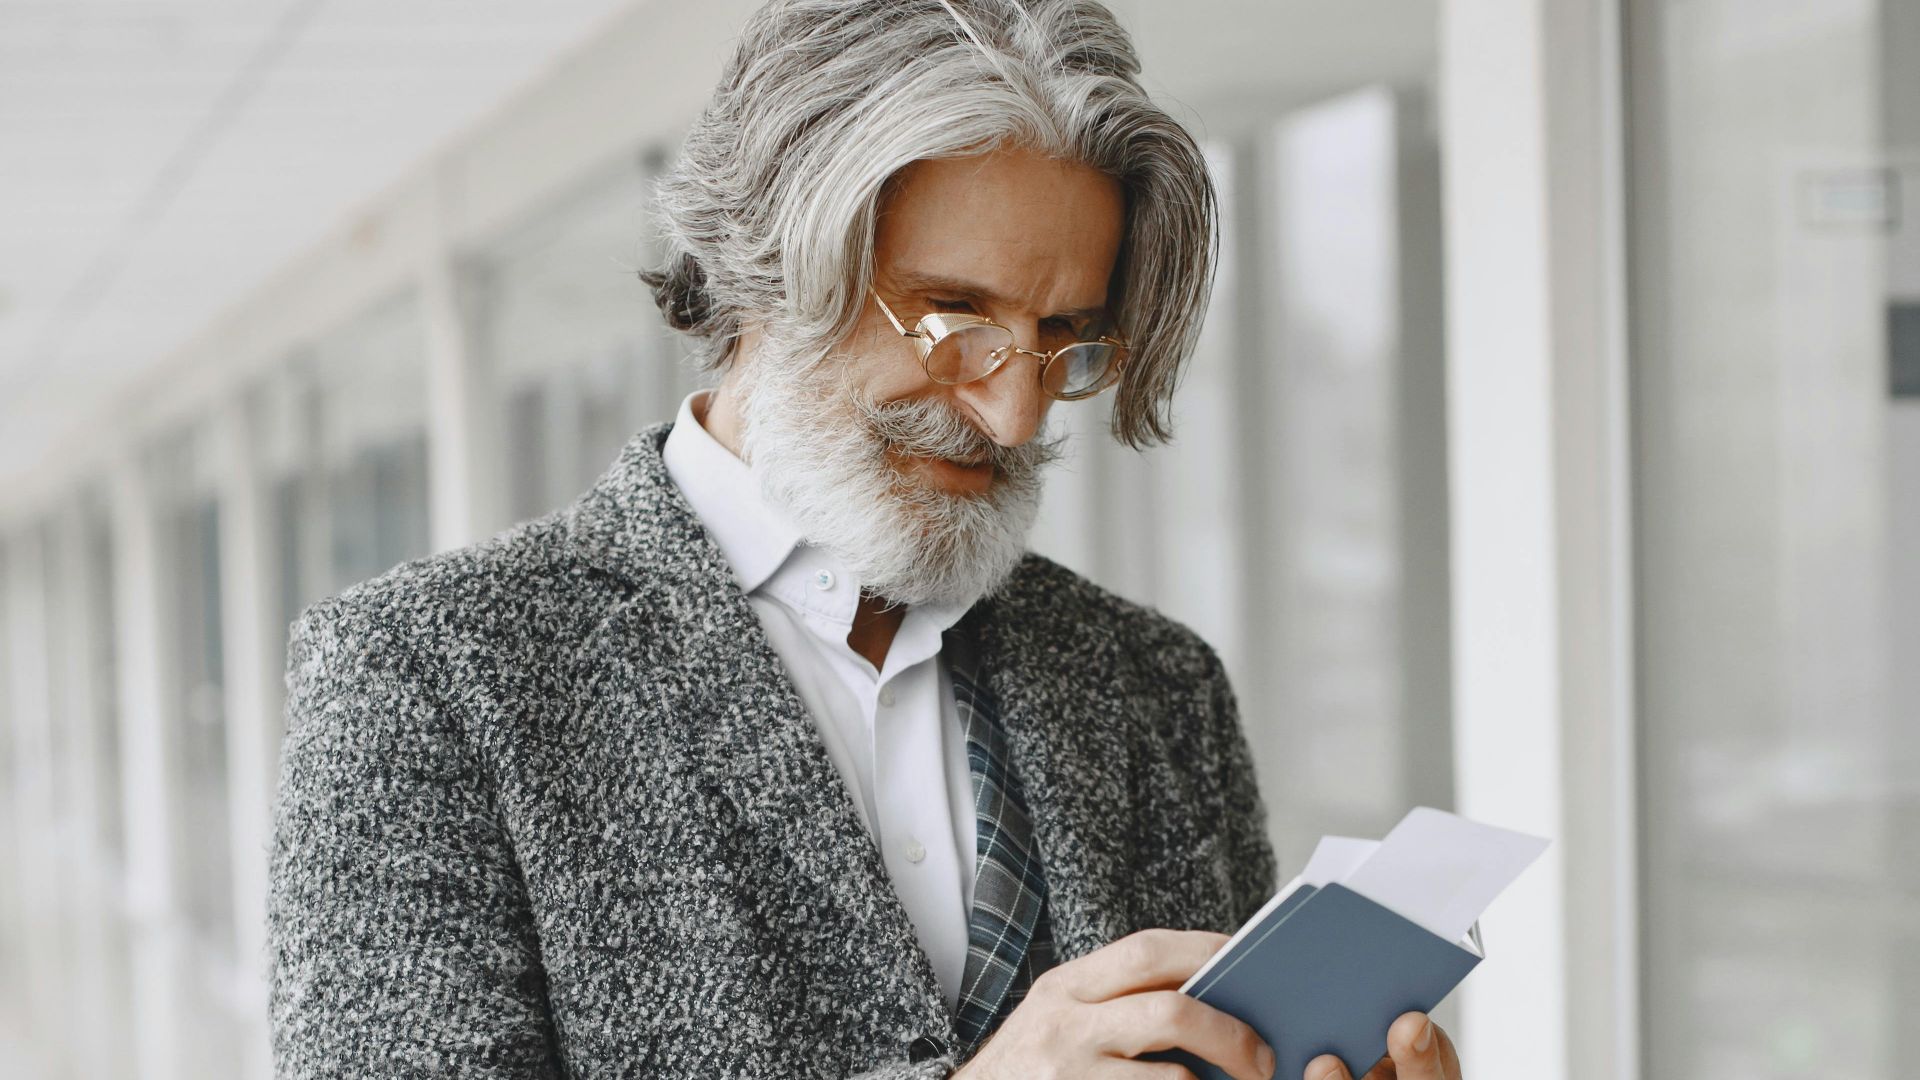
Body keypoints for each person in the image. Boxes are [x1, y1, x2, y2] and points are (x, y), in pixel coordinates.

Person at [266, 2, 1465, 1078]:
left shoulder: (1158, 688)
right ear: (766, 262)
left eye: (1065, 343)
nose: (1016, 412)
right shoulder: (429, 676)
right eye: (957, 322)